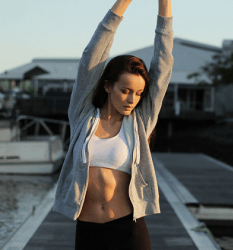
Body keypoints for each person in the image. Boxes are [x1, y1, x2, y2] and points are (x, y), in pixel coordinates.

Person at [52, 0, 173, 249]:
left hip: (128, 228)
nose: (132, 99)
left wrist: (164, 4)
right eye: (125, 90)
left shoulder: (140, 122)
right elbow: (90, 57)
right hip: (88, 230)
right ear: (108, 86)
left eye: (138, 93)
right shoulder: (83, 116)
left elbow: (163, 66)